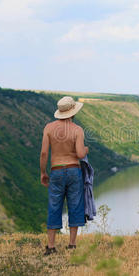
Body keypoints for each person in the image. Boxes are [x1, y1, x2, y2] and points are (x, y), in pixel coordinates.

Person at [40, 96, 88, 256]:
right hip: (74, 170)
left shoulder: (48, 128)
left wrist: (43, 172)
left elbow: (44, 153)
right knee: (75, 205)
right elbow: (80, 154)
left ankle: (51, 246)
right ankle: (72, 244)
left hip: (56, 170)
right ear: (73, 112)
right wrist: (86, 150)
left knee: (54, 206)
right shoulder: (77, 130)